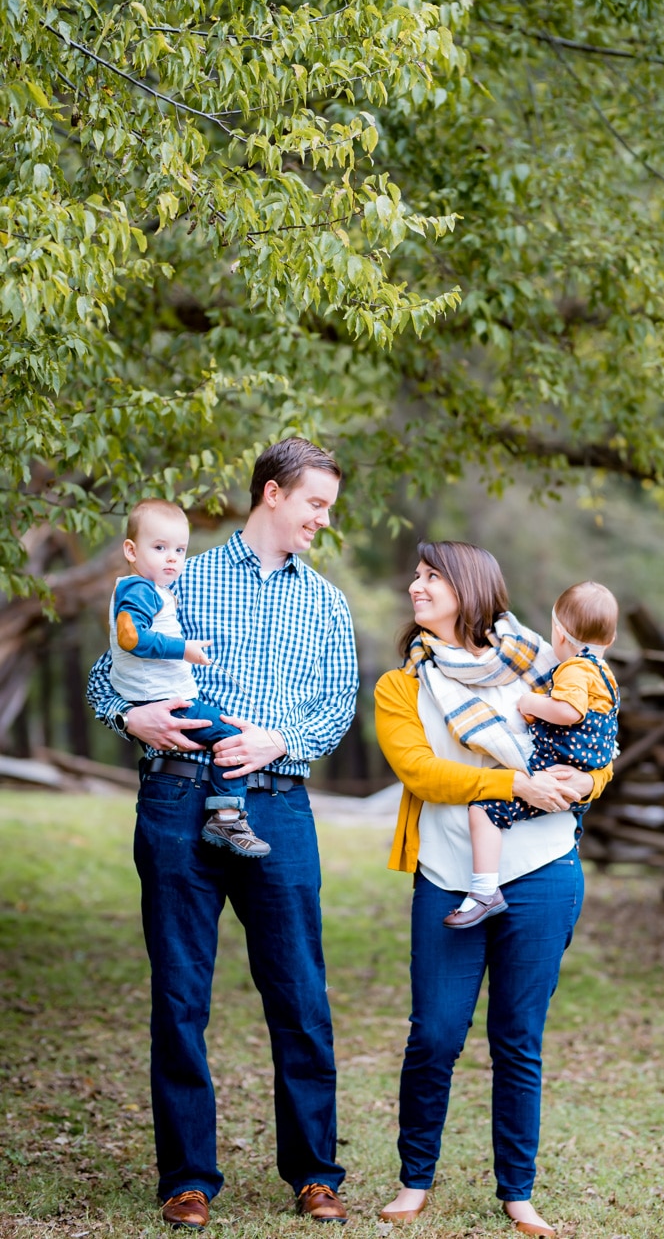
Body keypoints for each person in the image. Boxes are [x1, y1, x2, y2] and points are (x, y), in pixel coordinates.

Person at [87, 437, 359, 1230]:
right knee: (179, 995)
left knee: (301, 993)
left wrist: (281, 740)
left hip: (277, 804)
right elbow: (114, 672)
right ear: (271, 494)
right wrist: (127, 715)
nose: (322, 519)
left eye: (329, 508)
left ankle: (314, 1172)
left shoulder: (328, 602)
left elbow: (336, 708)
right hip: (177, 801)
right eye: (314, 503)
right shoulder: (181, 574)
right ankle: (187, 1180)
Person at [373, 541, 614, 1237]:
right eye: (415, 578)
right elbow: (421, 773)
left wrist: (585, 783)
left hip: (543, 869)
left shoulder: (545, 664)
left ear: (470, 588)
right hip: (451, 875)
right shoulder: (403, 686)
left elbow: (597, 743)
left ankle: (518, 1192)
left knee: (518, 1037)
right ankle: (415, 1179)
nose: (414, 588)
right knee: (436, 1035)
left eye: (429, 578)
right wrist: (514, 783)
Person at [445, 580, 619, 928]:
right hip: (579, 773)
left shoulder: (574, 668)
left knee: (483, 810)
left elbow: (569, 710)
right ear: (610, 640)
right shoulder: (606, 676)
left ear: (559, 634)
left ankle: (483, 890)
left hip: (556, 765)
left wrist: (530, 702)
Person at [109, 497, 270, 859]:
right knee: (231, 737)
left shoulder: (153, 590)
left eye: (179, 550)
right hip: (164, 703)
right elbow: (129, 637)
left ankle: (225, 813)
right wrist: (184, 650)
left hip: (163, 698)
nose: (172, 558)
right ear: (131, 551)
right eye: (160, 547)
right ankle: (226, 817)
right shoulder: (139, 590)